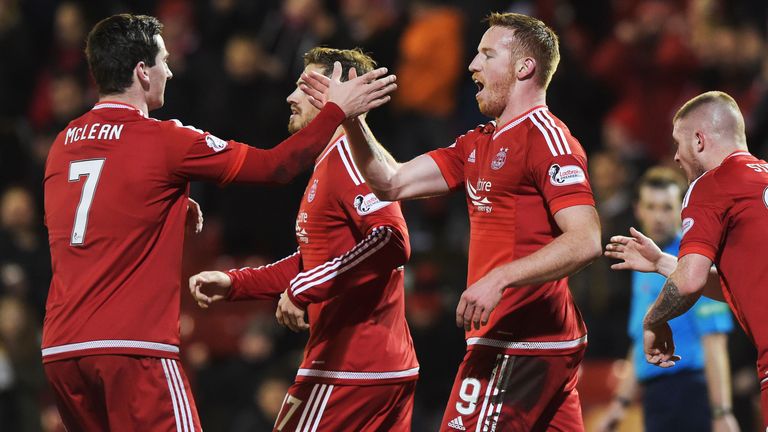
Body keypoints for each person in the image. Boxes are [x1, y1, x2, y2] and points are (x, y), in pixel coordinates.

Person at [41, 14, 396, 432]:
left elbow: (80, 220)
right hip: (132, 349)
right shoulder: (165, 139)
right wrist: (338, 110)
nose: (170, 71)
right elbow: (275, 167)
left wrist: (165, 205)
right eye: (163, 60)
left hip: (61, 351)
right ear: (142, 70)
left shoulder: (62, 144)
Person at [303, 12, 601, 431]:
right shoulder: (477, 143)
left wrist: (499, 279)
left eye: (486, 54)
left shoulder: (547, 138)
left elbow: (586, 239)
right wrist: (353, 119)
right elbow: (391, 181)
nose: (472, 65)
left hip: (520, 341)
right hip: (528, 341)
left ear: (524, 67)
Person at [188, 47, 418, 431]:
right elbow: (314, 258)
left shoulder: (350, 156)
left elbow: (392, 240)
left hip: (349, 367)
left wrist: (302, 289)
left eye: (305, 86)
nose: (291, 97)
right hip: (373, 365)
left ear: (341, 94)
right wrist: (235, 283)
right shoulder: (331, 160)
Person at [605, 90, 767, 429]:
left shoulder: (712, 184)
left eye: (678, 143)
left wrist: (652, 320)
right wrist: (666, 263)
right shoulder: (759, 181)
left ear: (699, 140)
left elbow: (690, 281)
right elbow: (736, 286)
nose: (676, 157)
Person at [599, 167, 738, 432]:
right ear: (638, 209)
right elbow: (640, 342)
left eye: (667, 207)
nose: (659, 216)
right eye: (651, 206)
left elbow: (714, 341)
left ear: (681, 210)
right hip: (656, 396)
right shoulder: (644, 261)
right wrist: (620, 403)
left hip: (691, 392)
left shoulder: (694, 260)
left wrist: (722, 413)